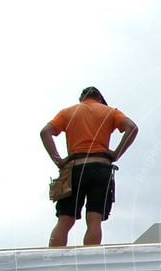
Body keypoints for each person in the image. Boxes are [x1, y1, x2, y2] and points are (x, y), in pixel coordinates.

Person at [41, 86, 138, 247]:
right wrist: (116, 154)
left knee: (64, 220)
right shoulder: (109, 111)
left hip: (73, 169)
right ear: (99, 98)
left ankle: (53, 258)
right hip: (100, 168)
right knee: (94, 220)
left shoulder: (67, 113)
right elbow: (132, 128)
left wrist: (58, 160)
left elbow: (45, 132)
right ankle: (90, 257)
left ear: (82, 99)